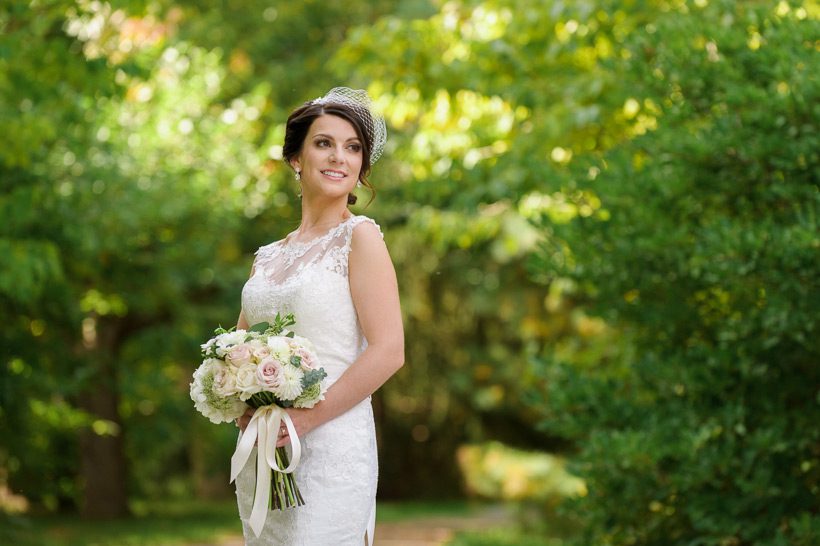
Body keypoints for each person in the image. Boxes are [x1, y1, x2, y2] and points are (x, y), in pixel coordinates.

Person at [233, 87, 404, 546]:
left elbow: (389, 351)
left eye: (353, 148)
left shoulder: (360, 238)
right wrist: (239, 400)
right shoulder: (268, 257)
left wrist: (303, 421)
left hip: (331, 447)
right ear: (296, 157)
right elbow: (239, 347)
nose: (339, 157)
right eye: (324, 143)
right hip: (265, 452)